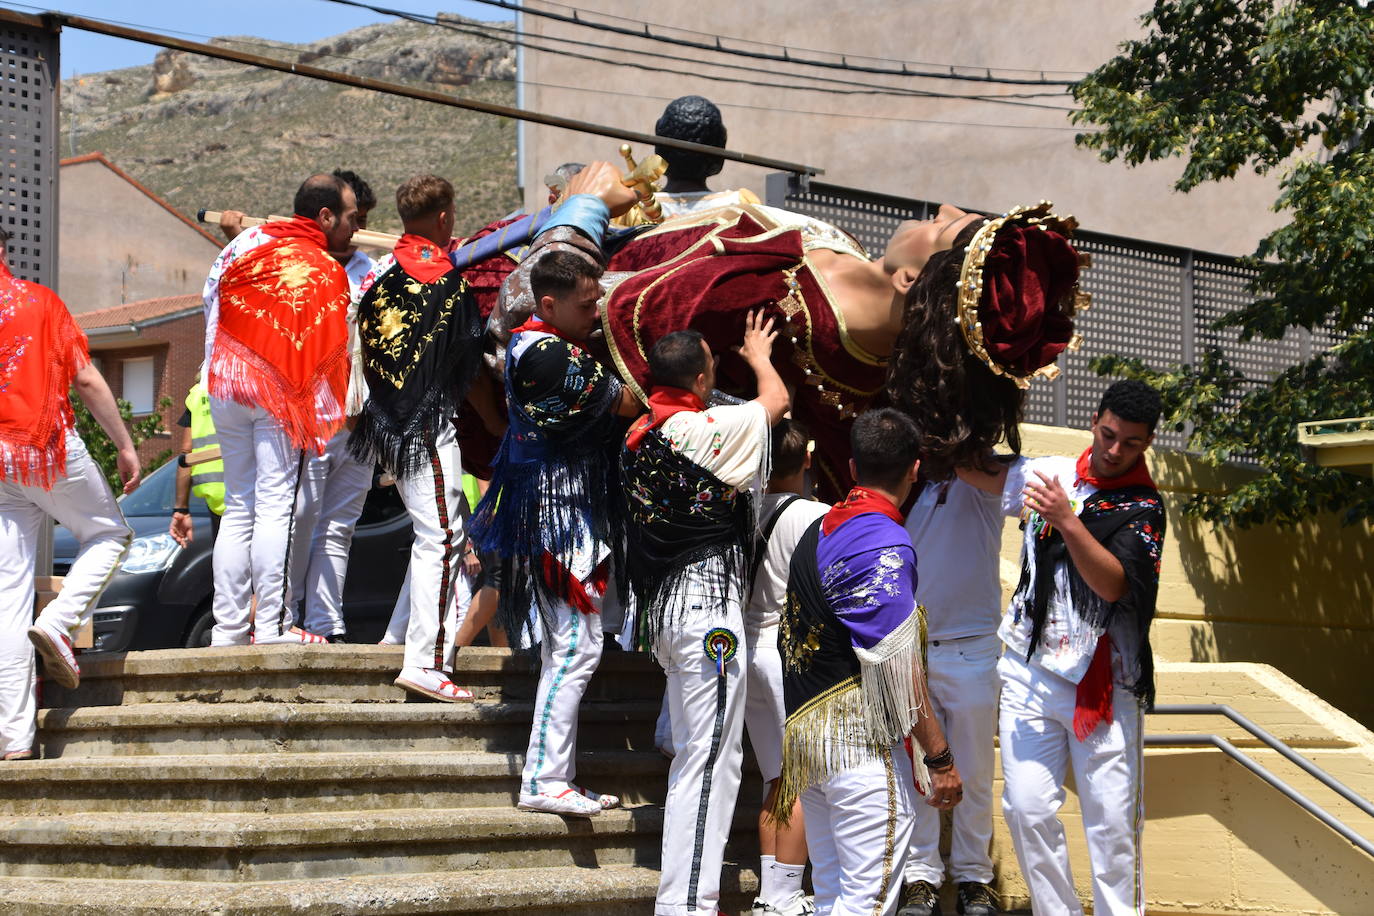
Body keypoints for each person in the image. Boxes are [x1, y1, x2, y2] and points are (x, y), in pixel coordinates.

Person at [957, 379, 1166, 916]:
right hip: (1030, 669)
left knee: (1113, 826)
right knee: (1025, 810)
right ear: (1094, 419)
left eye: (1131, 443)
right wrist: (956, 402)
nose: (1115, 450)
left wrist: (1066, 520)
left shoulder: (1144, 507)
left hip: (1106, 686)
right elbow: (972, 469)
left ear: (1147, 444)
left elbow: (1115, 586)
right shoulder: (1046, 472)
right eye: (1109, 434)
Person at [621, 316, 789, 916]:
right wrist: (759, 355)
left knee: (700, 756)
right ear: (699, 378)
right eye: (713, 368)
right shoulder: (699, 429)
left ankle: (685, 894)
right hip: (708, 622)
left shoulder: (639, 434)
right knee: (711, 761)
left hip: (669, 618)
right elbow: (776, 402)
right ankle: (687, 902)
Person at [471, 249, 640, 817]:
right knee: (573, 648)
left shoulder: (543, 344)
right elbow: (625, 401)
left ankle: (555, 775)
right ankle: (544, 780)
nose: (597, 312)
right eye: (587, 304)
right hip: (559, 515)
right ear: (549, 303)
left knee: (577, 648)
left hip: (568, 512)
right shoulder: (545, 353)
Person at [774, 408, 962, 916]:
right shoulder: (882, 539)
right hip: (856, 746)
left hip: (808, 742)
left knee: (834, 895)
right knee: (866, 903)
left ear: (853, 468)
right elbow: (899, 667)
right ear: (915, 470)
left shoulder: (818, 530)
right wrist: (940, 759)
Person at [0, 226, 140, 760]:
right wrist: (125, 445)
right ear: (3, 251)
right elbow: (85, 378)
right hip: (45, 445)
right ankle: (59, 624)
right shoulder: (39, 302)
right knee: (108, 533)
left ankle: (14, 741)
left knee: (7, 600)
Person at [202, 172, 358, 646]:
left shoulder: (244, 243)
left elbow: (209, 304)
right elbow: (333, 349)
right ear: (325, 215)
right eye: (350, 217)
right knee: (275, 508)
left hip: (225, 380)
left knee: (238, 510)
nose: (354, 227)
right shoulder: (326, 268)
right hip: (278, 395)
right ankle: (269, 626)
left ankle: (228, 629)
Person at [349, 175, 484, 701]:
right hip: (424, 425)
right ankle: (426, 661)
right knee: (443, 538)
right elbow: (465, 365)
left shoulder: (378, 279)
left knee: (431, 534)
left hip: (384, 424)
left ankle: (401, 638)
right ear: (446, 217)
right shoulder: (446, 283)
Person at [896, 468, 1004, 916]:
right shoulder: (906, 484)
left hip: (973, 647)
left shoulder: (983, 480)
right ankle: (920, 875)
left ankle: (975, 877)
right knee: (916, 773)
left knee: (976, 773)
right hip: (912, 647)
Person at [745, 419, 827, 916]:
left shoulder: (744, 510)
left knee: (776, 777)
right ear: (808, 461)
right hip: (785, 653)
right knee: (797, 780)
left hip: (745, 648)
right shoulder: (815, 515)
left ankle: (771, 893)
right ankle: (784, 895)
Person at [169, 373, 225, 548]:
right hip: (247, 489)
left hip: (214, 495)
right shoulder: (243, 386)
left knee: (226, 559)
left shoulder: (198, 395)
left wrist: (181, 509)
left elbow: (186, 453)